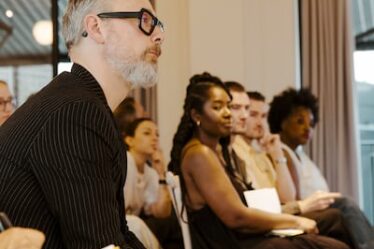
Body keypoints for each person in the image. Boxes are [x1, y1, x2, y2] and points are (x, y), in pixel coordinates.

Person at [0, 0, 165, 248]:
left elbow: (114, 235)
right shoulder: (76, 110)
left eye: (159, 24)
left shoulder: (79, 102)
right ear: (96, 27)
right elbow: (99, 244)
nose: (159, 35)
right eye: (145, 20)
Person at [168, 72, 350, 249]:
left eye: (227, 106)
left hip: (241, 238)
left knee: (332, 222)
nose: (227, 113)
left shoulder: (213, 152)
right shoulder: (199, 154)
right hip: (232, 243)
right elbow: (236, 218)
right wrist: (294, 220)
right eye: (217, 107)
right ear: (196, 116)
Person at [268, 87, 374, 249]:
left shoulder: (300, 154)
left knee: (345, 206)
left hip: (321, 209)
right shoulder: (282, 153)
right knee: (345, 205)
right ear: (282, 122)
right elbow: (292, 199)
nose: (307, 128)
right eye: (300, 121)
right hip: (307, 211)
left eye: (311, 123)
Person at [123, 118, 171, 249]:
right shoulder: (124, 162)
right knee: (136, 225)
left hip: (129, 226)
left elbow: (162, 212)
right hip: (111, 223)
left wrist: (161, 174)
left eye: (157, 134)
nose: (155, 138)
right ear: (129, 140)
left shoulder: (150, 172)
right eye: (147, 133)